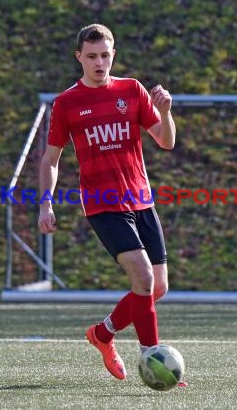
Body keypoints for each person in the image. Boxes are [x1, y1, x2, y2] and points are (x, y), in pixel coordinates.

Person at [38, 23, 184, 385]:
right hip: (103, 205)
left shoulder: (132, 90)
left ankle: (102, 334)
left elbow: (165, 142)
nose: (99, 63)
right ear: (79, 58)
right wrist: (45, 204)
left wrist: (165, 112)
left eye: (105, 55)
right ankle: (153, 358)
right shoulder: (67, 103)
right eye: (91, 57)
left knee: (158, 287)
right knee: (144, 276)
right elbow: (50, 160)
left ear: (113, 54)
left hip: (142, 201)